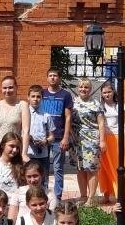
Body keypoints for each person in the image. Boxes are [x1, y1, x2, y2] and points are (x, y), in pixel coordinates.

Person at [41, 68, 74, 208]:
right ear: (47, 78)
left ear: (59, 78)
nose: (53, 78)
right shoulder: (41, 93)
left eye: (55, 75)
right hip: (43, 138)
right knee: (42, 168)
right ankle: (43, 194)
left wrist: (66, 137)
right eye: (50, 75)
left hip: (59, 137)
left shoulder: (65, 95)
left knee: (58, 168)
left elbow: (68, 117)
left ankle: (57, 197)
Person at [70, 77, 105, 205]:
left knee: (91, 168)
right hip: (76, 140)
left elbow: (101, 123)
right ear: (77, 88)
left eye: (86, 87)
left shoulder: (96, 103)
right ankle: (83, 195)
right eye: (81, 87)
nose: (83, 89)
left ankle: (91, 197)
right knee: (80, 168)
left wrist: (102, 141)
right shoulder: (73, 102)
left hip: (92, 139)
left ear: (90, 89)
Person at [22, 84, 54, 177]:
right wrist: (28, 138)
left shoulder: (46, 116)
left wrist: (46, 141)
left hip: (42, 155)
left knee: (42, 180)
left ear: (42, 98)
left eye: (38, 97)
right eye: (33, 96)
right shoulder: (23, 114)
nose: (35, 99)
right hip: (27, 154)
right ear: (28, 97)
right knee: (26, 180)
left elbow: (52, 136)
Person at [97, 82, 120, 204]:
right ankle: (106, 194)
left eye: (109, 92)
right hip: (104, 138)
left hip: (116, 137)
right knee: (104, 167)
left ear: (113, 92)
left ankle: (119, 195)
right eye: (104, 92)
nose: (107, 94)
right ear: (101, 94)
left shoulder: (119, 105)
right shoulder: (100, 106)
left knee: (117, 166)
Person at [0, 75, 23, 143]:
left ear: (16, 88)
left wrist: (24, 152)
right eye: (4, 88)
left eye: (10, 87)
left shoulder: (22, 105)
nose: (7, 90)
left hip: (13, 148)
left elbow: (25, 131)